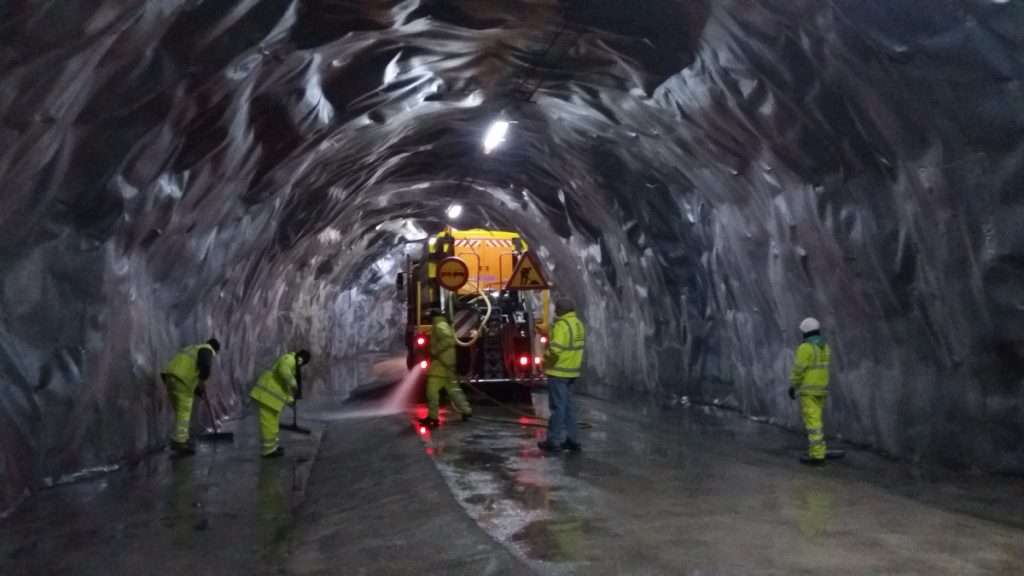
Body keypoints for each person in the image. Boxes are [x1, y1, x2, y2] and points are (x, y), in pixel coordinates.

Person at [538, 297, 585, 453]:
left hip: (558, 371)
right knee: (569, 407)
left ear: (560, 310)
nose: (555, 312)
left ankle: (552, 441)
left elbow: (556, 349)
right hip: (572, 371)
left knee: (558, 407)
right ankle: (573, 440)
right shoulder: (578, 325)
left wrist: (545, 360)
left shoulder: (561, 326)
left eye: (556, 309)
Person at [161, 338, 220, 455]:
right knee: (184, 410)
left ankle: (180, 437)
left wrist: (200, 392)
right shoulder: (207, 349)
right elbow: (205, 366)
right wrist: (203, 378)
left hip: (170, 376)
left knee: (179, 410)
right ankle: (179, 441)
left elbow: (192, 368)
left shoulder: (193, 348)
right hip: (183, 378)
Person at [250, 349, 311, 458]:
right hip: (266, 396)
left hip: (271, 399)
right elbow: (283, 372)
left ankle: (273, 446)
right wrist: (293, 383)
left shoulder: (291, 365)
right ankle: (268, 450)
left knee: (273, 423)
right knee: (268, 423)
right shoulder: (288, 359)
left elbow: (285, 388)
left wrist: (290, 401)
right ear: (301, 360)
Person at [789, 317, 832, 465]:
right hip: (821, 389)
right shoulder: (825, 347)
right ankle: (819, 449)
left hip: (809, 389)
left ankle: (817, 454)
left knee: (812, 422)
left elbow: (799, 369)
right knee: (817, 419)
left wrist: (793, 385)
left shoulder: (805, 348)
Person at [420, 308, 471, 427]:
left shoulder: (439, 325)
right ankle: (466, 411)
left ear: (433, 317)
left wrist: (434, 351)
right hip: (447, 362)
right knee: (453, 389)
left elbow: (448, 340)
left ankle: (433, 417)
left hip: (440, 364)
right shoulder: (443, 324)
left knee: (431, 390)